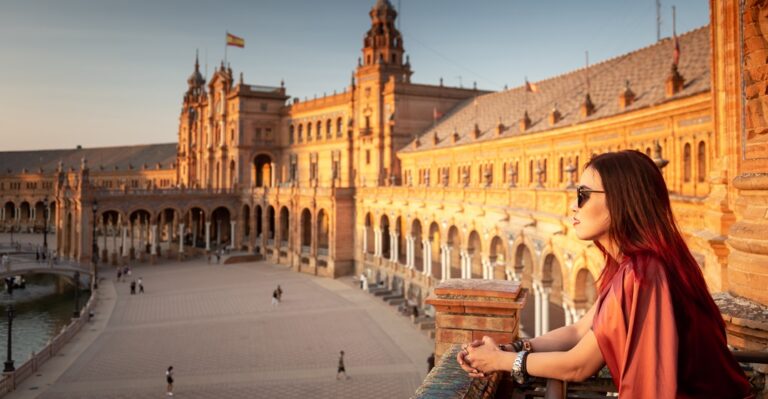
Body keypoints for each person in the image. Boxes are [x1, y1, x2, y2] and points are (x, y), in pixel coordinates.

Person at [456, 151, 753, 399]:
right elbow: (577, 331)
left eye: (583, 195)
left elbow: (579, 365)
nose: (573, 205)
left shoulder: (644, 272)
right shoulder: (638, 266)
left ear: (622, 199)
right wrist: (511, 347)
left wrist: (502, 361)